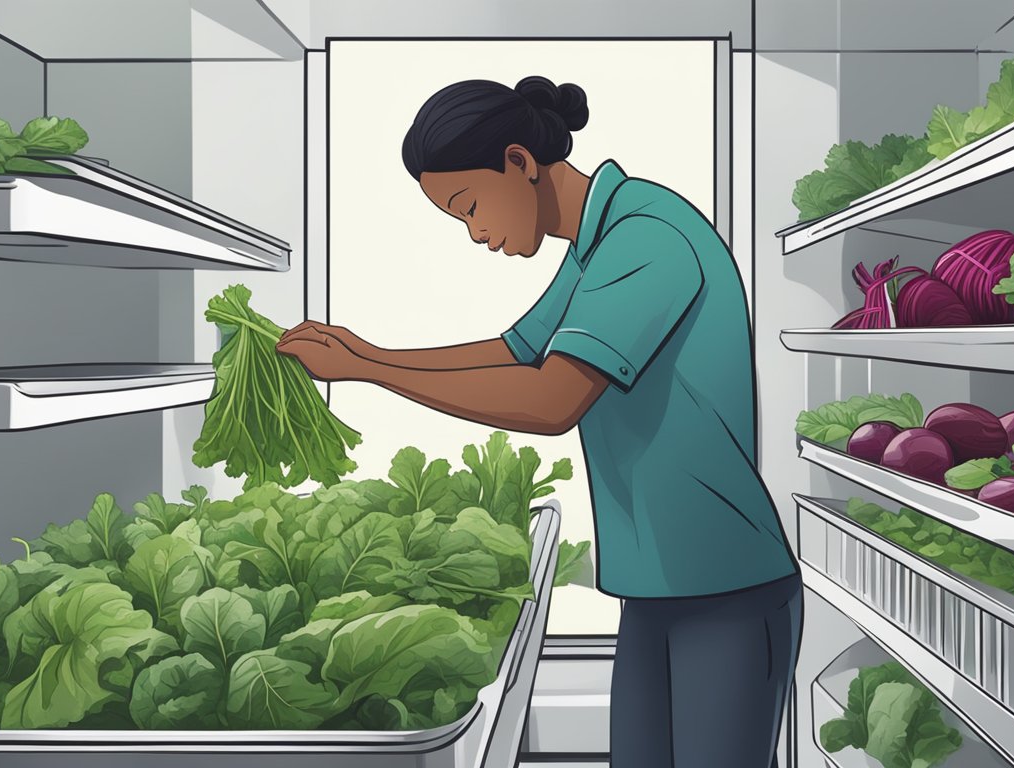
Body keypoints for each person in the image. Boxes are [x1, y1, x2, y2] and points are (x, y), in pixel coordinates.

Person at [276, 74, 802, 767]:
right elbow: (513, 350)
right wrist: (367, 350)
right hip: (658, 587)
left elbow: (552, 399)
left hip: (727, 591)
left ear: (520, 163)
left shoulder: (646, 237)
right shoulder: (596, 241)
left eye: (469, 206)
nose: (474, 233)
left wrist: (371, 373)